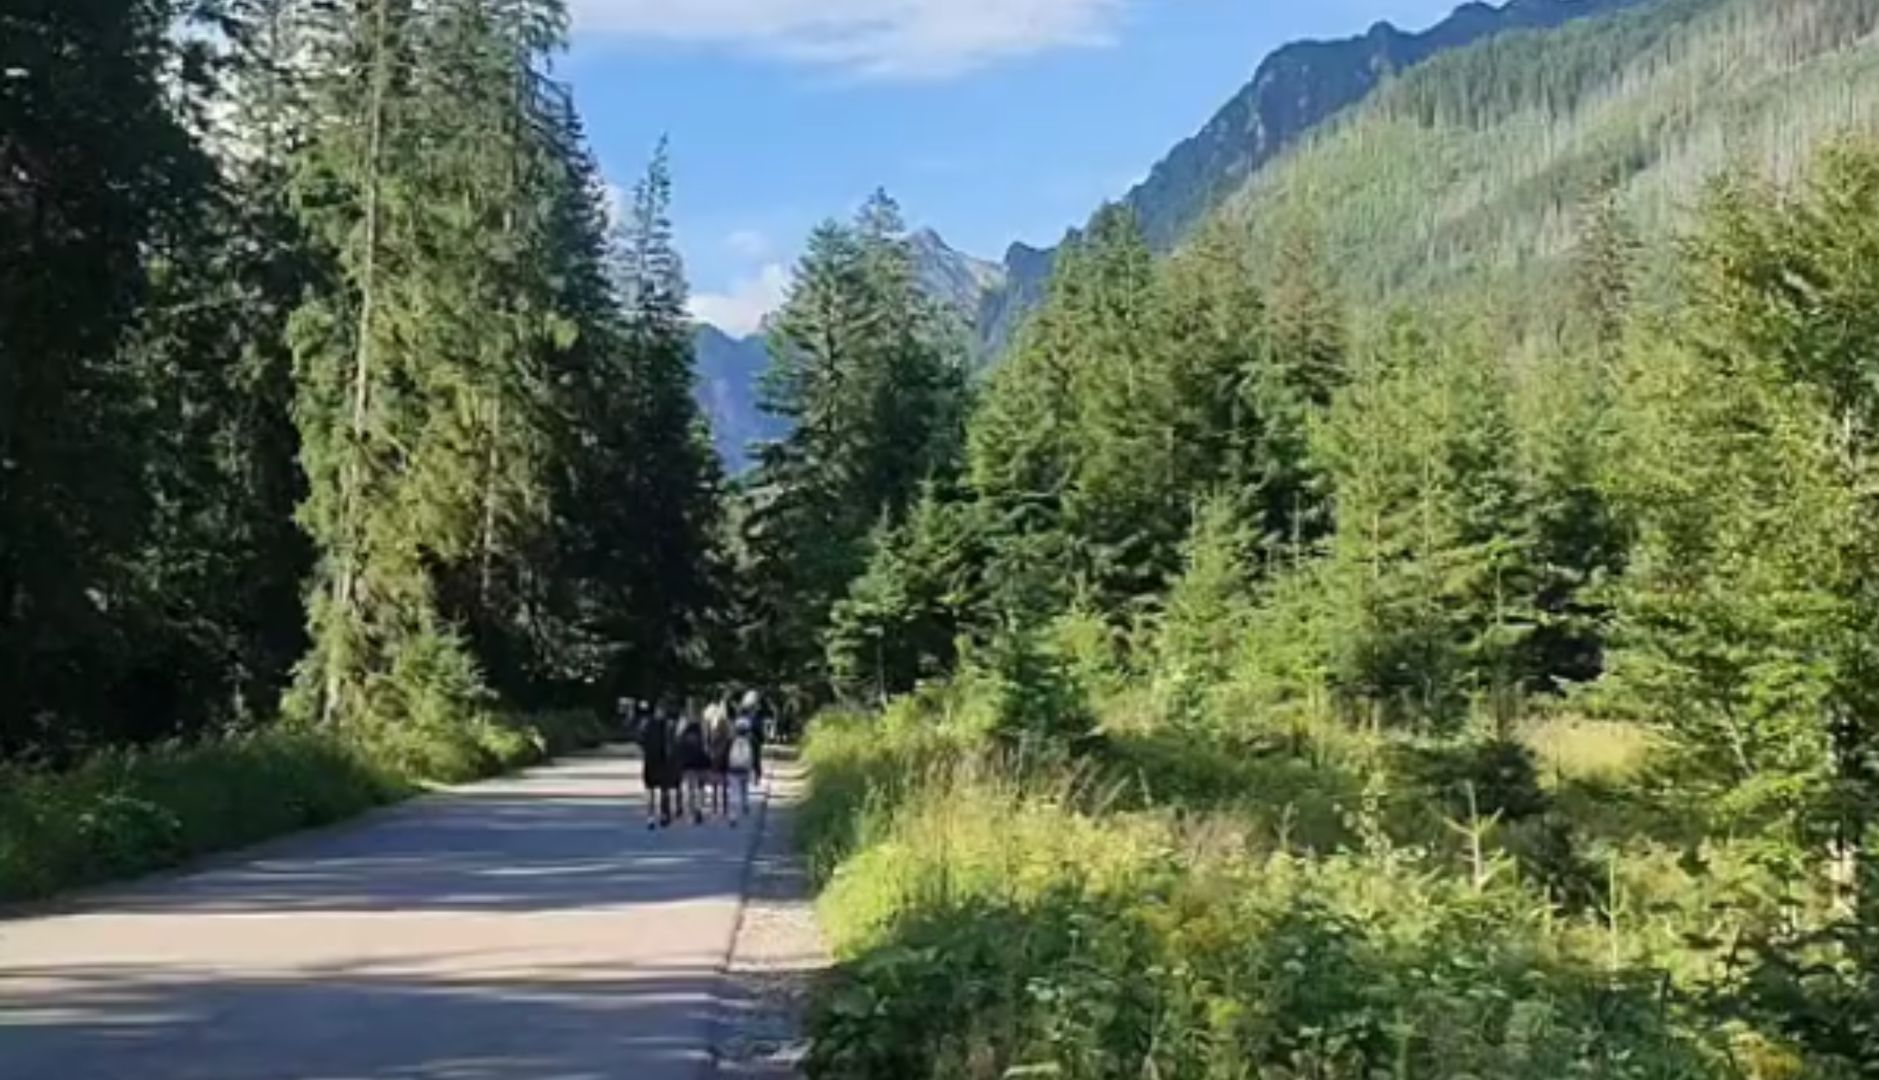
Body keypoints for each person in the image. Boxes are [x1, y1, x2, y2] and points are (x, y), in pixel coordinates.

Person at [638, 700, 679, 829]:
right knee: (663, 790)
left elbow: (640, 740)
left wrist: (645, 750)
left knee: (650, 790)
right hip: (663, 761)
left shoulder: (646, 724)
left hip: (650, 760)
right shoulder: (668, 726)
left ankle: (651, 817)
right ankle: (663, 815)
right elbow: (673, 744)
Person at [674, 701, 712, 825]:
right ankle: (698, 809)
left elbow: (678, 740)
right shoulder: (704, 723)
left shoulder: (683, 723)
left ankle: (692, 811)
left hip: (687, 760)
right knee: (700, 787)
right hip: (700, 760)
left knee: (690, 787)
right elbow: (707, 743)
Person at [726, 713, 761, 826]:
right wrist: (758, 772)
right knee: (745, 787)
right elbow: (756, 757)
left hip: (733, 769)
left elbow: (725, 755)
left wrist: (723, 768)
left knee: (734, 792)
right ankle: (745, 804)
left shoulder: (731, 739)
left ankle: (733, 815)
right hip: (746, 769)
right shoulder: (753, 740)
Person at [705, 699, 734, 820]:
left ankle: (715, 810)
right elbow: (731, 741)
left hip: (715, 757)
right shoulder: (728, 725)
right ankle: (725, 810)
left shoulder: (714, 724)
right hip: (725, 758)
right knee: (724, 786)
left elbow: (710, 741)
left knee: (715, 786)